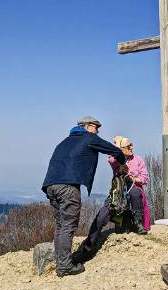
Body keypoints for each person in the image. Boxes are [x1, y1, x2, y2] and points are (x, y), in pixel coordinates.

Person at [42, 116, 126, 277]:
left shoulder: (64, 141)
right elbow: (114, 150)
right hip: (68, 186)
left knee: (61, 225)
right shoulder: (88, 137)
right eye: (96, 127)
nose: (98, 130)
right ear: (87, 127)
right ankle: (65, 267)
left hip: (51, 185)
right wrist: (123, 163)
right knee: (68, 225)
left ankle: (62, 262)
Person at [71, 136, 148, 268]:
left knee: (135, 193)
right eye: (128, 146)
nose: (131, 148)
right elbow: (111, 158)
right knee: (101, 217)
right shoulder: (115, 160)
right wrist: (118, 152)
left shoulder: (138, 159)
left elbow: (144, 178)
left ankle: (138, 223)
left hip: (133, 189)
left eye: (131, 145)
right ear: (122, 149)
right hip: (117, 191)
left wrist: (132, 178)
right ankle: (88, 247)